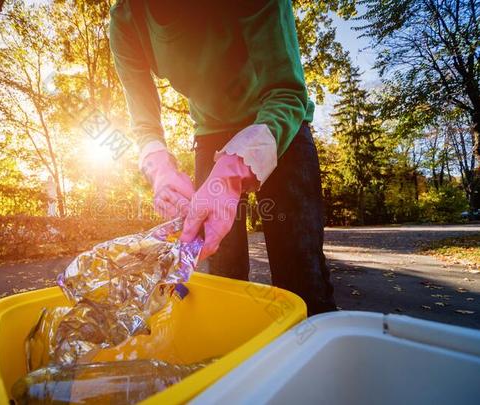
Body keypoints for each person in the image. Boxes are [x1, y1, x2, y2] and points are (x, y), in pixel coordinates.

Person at [109, 0, 336, 315]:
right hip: (211, 134)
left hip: (277, 122)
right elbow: (144, 124)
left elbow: (287, 91)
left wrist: (231, 172)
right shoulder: (126, 20)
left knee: (301, 271)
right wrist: (161, 170)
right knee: (224, 265)